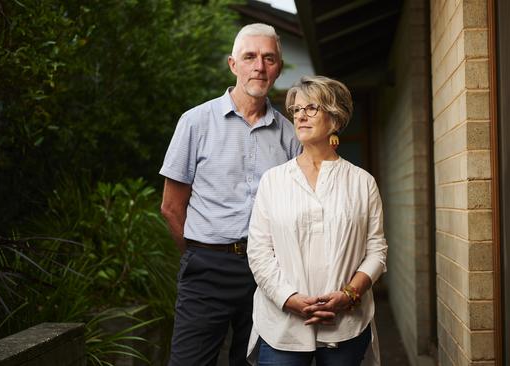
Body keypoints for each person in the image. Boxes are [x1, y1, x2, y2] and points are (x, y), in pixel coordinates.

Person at [159, 23, 301, 366]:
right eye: (249, 57)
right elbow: (171, 207)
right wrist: (199, 252)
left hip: (267, 273)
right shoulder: (195, 122)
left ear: (278, 67)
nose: (259, 66)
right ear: (232, 64)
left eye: (269, 58)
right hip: (207, 268)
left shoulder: (290, 134)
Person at [246, 75, 388, 366]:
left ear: (334, 119)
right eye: (296, 110)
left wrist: (348, 295)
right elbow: (258, 251)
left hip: (345, 323)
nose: (300, 116)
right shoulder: (274, 181)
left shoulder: (362, 182)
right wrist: (289, 298)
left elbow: (377, 251)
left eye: (311, 108)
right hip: (282, 324)